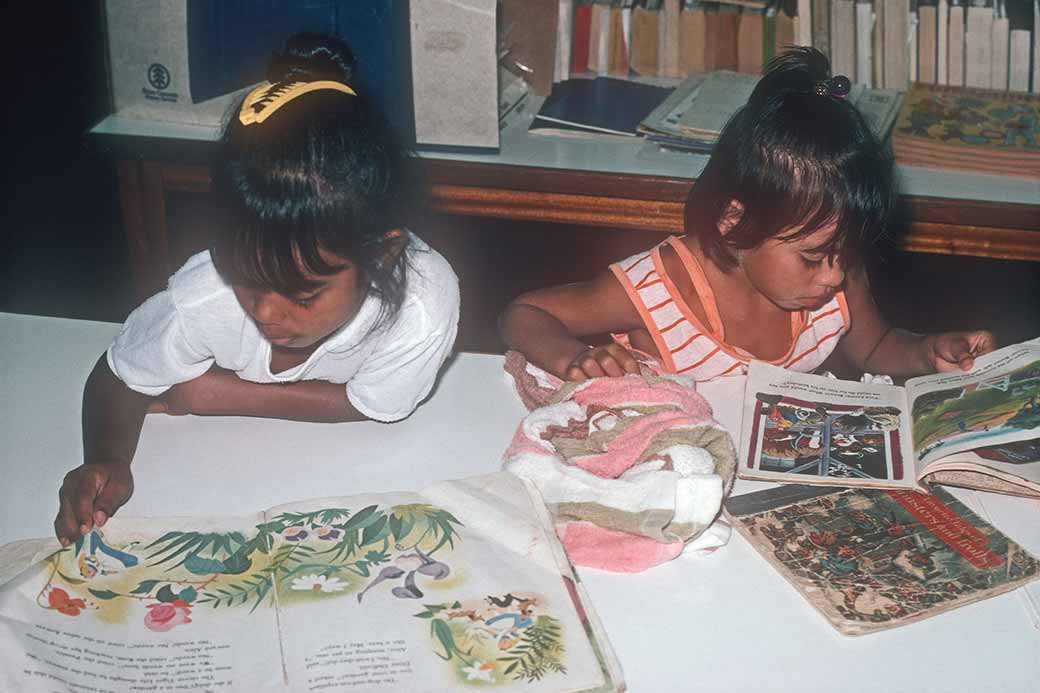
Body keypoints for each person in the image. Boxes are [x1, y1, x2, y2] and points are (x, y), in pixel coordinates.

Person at [55, 34, 460, 545]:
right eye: (245, 278)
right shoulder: (205, 295)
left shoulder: (423, 305)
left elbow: (374, 405)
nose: (266, 312)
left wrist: (208, 394)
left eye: (303, 294)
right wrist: (106, 458)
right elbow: (118, 375)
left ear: (381, 254)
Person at [499, 47, 994, 384]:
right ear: (734, 221)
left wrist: (928, 351)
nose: (837, 274)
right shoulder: (661, 291)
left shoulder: (834, 269)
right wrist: (576, 358)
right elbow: (523, 313)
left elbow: (877, 344)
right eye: (814, 257)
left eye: (846, 252)